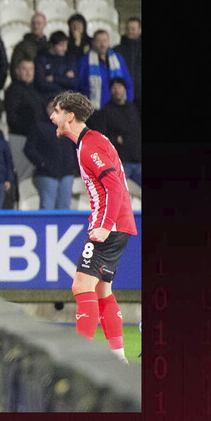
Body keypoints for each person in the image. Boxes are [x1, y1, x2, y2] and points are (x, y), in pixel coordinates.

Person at [49, 91, 137, 362]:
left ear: (70, 116)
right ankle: (118, 357)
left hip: (109, 226)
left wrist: (105, 226)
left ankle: (80, 359)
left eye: (56, 111)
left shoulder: (90, 146)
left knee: (81, 285)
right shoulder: (92, 141)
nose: (52, 117)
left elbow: (114, 187)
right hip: (118, 223)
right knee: (101, 290)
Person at [24, 100, 77, 210]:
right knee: (47, 207)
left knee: (64, 207)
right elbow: (29, 149)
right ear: (46, 109)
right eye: (51, 107)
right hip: (46, 174)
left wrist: (73, 165)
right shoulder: (39, 127)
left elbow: (76, 148)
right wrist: (42, 163)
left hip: (67, 173)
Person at [94, 78, 142, 186]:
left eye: (119, 87)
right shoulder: (106, 110)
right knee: (117, 191)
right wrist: (115, 139)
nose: (117, 90)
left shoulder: (133, 107)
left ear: (124, 89)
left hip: (137, 159)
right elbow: (100, 136)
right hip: (120, 161)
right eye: (114, 88)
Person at [77, 29, 134, 109]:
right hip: (94, 108)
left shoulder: (118, 59)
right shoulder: (84, 62)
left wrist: (128, 103)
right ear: (93, 43)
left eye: (105, 41)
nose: (102, 44)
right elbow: (79, 87)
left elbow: (128, 83)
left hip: (118, 108)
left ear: (108, 42)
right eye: (99, 41)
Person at [3, 59, 45, 137]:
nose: (28, 73)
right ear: (17, 71)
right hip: (21, 136)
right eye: (24, 69)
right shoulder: (14, 90)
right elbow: (13, 115)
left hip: (35, 134)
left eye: (31, 69)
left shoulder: (36, 88)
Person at [34, 30, 78, 100]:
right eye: (61, 45)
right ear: (52, 45)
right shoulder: (42, 59)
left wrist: (54, 79)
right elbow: (41, 83)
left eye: (66, 45)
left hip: (67, 100)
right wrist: (64, 79)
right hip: (47, 99)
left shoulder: (69, 59)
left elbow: (73, 82)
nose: (65, 49)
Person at [113, 17, 141, 114]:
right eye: (128, 28)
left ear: (139, 30)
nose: (130, 31)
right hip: (123, 95)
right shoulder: (117, 50)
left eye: (133, 29)